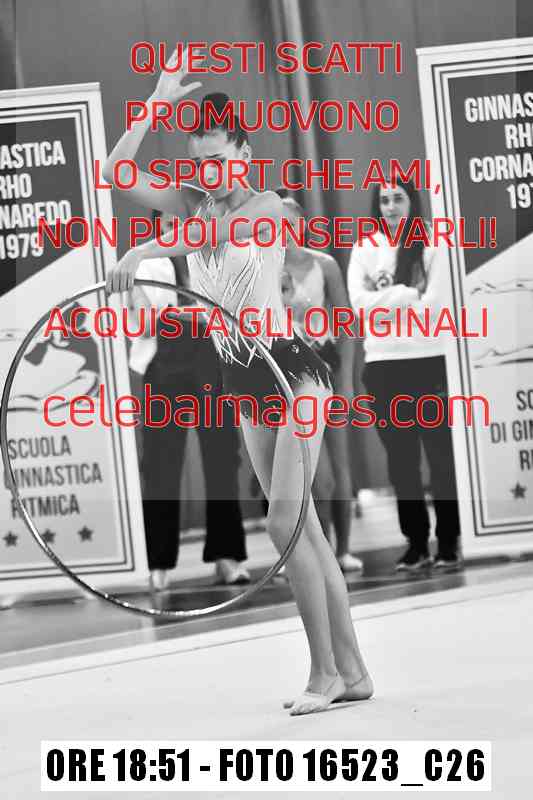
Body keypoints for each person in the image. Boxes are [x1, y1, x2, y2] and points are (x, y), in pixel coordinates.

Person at [104, 48, 372, 715]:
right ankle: (353, 670)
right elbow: (115, 171)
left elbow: (216, 232)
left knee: (282, 521)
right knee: (305, 531)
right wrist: (156, 103)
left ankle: (322, 674)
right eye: (199, 162)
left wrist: (143, 248)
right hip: (243, 383)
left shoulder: (269, 207)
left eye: (220, 159)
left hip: (293, 375)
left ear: (244, 154)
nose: (209, 172)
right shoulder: (193, 203)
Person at [128, 211, 250, 590]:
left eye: (180, 223)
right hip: (163, 368)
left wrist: (176, 314)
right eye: (167, 225)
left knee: (222, 460)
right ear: (157, 228)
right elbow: (146, 323)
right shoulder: (143, 263)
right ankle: (158, 562)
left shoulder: (216, 258)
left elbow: (228, 316)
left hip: (211, 365)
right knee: (160, 466)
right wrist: (194, 314)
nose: (175, 231)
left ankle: (227, 556)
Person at [347, 178, 462, 571]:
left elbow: (435, 306)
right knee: (401, 461)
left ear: (412, 201)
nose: (391, 206)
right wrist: (403, 294)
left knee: (441, 456)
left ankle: (449, 539)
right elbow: (358, 304)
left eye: (398, 198)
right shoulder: (365, 247)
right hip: (383, 366)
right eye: (384, 200)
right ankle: (415, 542)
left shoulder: (433, 242)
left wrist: (385, 303)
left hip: (429, 360)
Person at [278, 192, 363, 573]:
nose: (283, 230)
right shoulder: (267, 269)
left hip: (325, 367)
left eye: (289, 223)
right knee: (313, 472)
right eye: (274, 224)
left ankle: (342, 549)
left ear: (302, 225)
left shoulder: (324, 265)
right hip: (288, 375)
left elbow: (346, 326)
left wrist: (346, 382)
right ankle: (318, 551)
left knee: (338, 465)